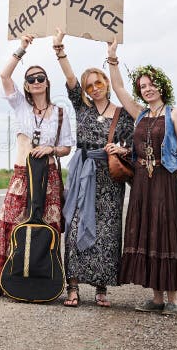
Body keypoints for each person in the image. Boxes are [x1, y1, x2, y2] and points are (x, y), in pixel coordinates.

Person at [106, 38, 177, 315]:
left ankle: (173, 300)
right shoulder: (140, 114)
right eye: (142, 87)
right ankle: (156, 298)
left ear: (162, 85)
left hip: (165, 178)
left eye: (150, 85)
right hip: (142, 183)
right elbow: (119, 88)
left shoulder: (175, 114)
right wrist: (112, 57)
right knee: (147, 233)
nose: (146, 90)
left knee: (166, 233)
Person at [0, 35, 75, 297]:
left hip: (49, 176)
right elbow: (4, 76)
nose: (36, 82)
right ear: (26, 85)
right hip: (23, 174)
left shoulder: (59, 112)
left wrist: (52, 149)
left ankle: (46, 278)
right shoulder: (20, 106)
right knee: (10, 222)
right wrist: (22, 47)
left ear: (47, 83)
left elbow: (67, 147)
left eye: (40, 78)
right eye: (31, 79)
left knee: (49, 226)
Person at [52, 28, 138, 307]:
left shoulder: (122, 114)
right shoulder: (82, 108)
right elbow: (70, 79)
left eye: (97, 83)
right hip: (82, 174)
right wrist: (59, 49)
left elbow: (131, 146)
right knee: (76, 227)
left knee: (108, 230)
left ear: (105, 83)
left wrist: (122, 149)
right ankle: (73, 287)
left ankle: (101, 289)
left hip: (109, 178)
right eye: (89, 86)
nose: (93, 88)